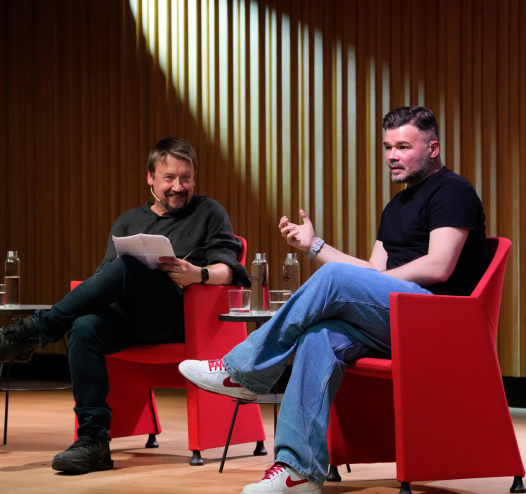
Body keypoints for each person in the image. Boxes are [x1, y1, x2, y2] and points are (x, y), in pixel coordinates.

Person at [179, 106, 489, 494]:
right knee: (318, 337)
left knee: (336, 280)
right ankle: (299, 472)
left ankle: (244, 371)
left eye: (404, 147)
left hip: (439, 323)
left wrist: (358, 281)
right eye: (387, 147)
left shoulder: (452, 190)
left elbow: (439, 266)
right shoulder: (395, 207)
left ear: (433, 148)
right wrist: (315, 246)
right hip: (397, 318)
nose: (392, 155)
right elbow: (370, 272)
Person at [0, 136, 250, 474]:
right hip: (129, 319)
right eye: (169, 178)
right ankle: (93, 440)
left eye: (186, 177)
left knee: (128, 265)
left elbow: (230, 270)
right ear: (150, 177)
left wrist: (197, 273)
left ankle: (32, 332)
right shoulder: (128, 221)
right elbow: (104, 279)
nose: (179, 186)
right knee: (86, 326)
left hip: (179, 320)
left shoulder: (209, 212)